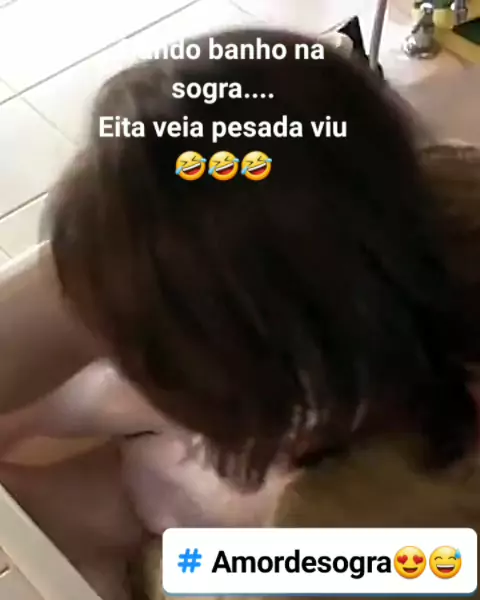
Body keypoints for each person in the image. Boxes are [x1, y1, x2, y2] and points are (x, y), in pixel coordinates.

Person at [2, 28, 480, 600]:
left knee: (126, 491)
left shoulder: (362, 526)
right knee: (115, 428)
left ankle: (109, 516)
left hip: (374, 537)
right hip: (352, 404)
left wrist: (171, 524)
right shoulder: (441, 192)